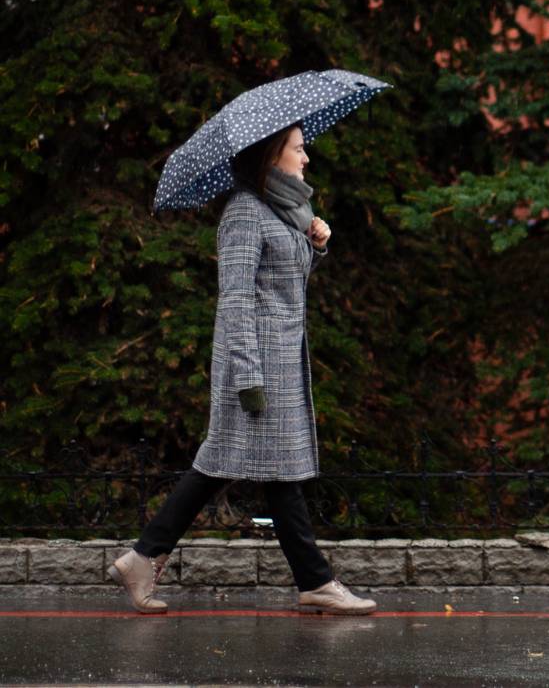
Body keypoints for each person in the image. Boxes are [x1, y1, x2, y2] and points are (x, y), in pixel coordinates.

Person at [109, 122, 376, 615]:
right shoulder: (244, 213)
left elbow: (283, 285)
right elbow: (235, 302)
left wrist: (315, 246)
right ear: (273, 156)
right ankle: (314, 581)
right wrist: (248, 376)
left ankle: (143, 558)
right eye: (299, 149)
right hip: (256, 369)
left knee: (248, 470)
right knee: (249, 470)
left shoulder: (285, 211)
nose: (307, 158)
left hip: (279, 363)